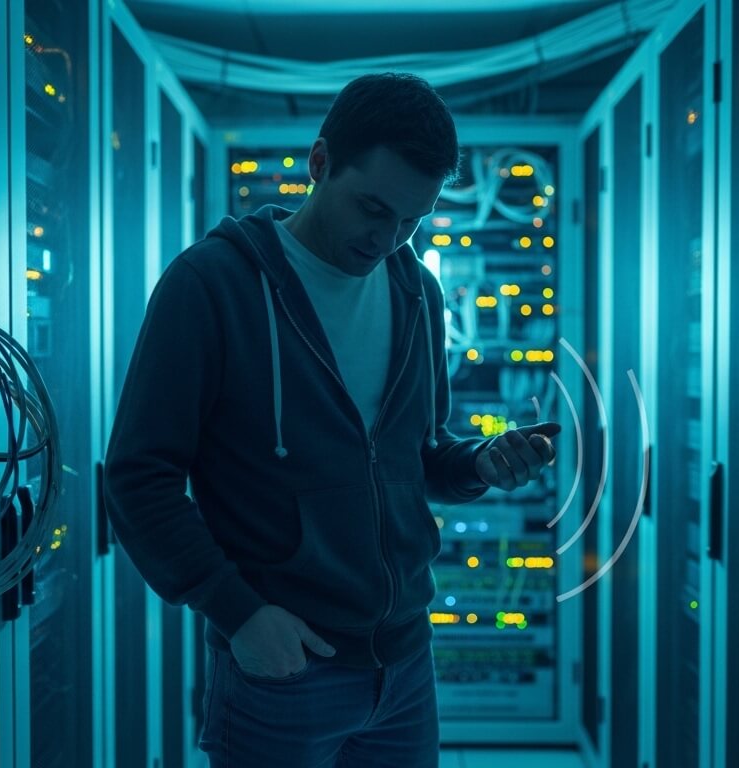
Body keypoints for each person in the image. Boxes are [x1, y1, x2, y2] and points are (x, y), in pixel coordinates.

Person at [104, 72, 561, 768]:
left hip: (404, 666)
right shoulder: (211, 284)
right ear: (319, 163)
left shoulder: (417, 290)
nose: (388, 238)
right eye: (373, 208)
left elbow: (416, 456)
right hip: (283, 669)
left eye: (411, 220)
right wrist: (236, 612)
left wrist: (478, 462)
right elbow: (138, 477)